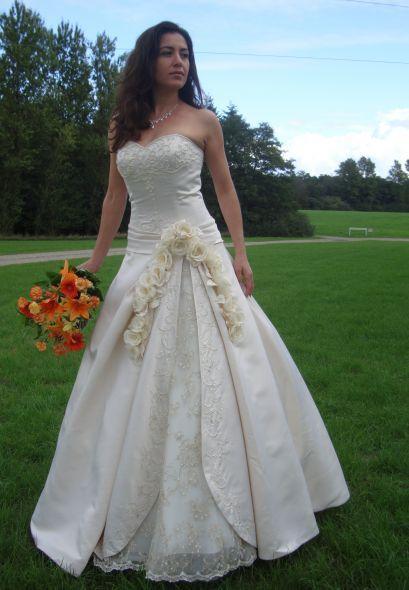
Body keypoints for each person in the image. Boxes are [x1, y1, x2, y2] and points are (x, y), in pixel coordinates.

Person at [29, 20, 350, 583]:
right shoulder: (120, 127)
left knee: (228, 372)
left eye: (186, 54)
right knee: (124, 376)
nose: (179, 62)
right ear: (147, 61)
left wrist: (241, 253)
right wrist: (93, 266)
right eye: (168, 53)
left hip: (201, 257)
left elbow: (224, 188)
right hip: (141, 261)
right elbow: (113, 198)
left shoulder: (204, 121)